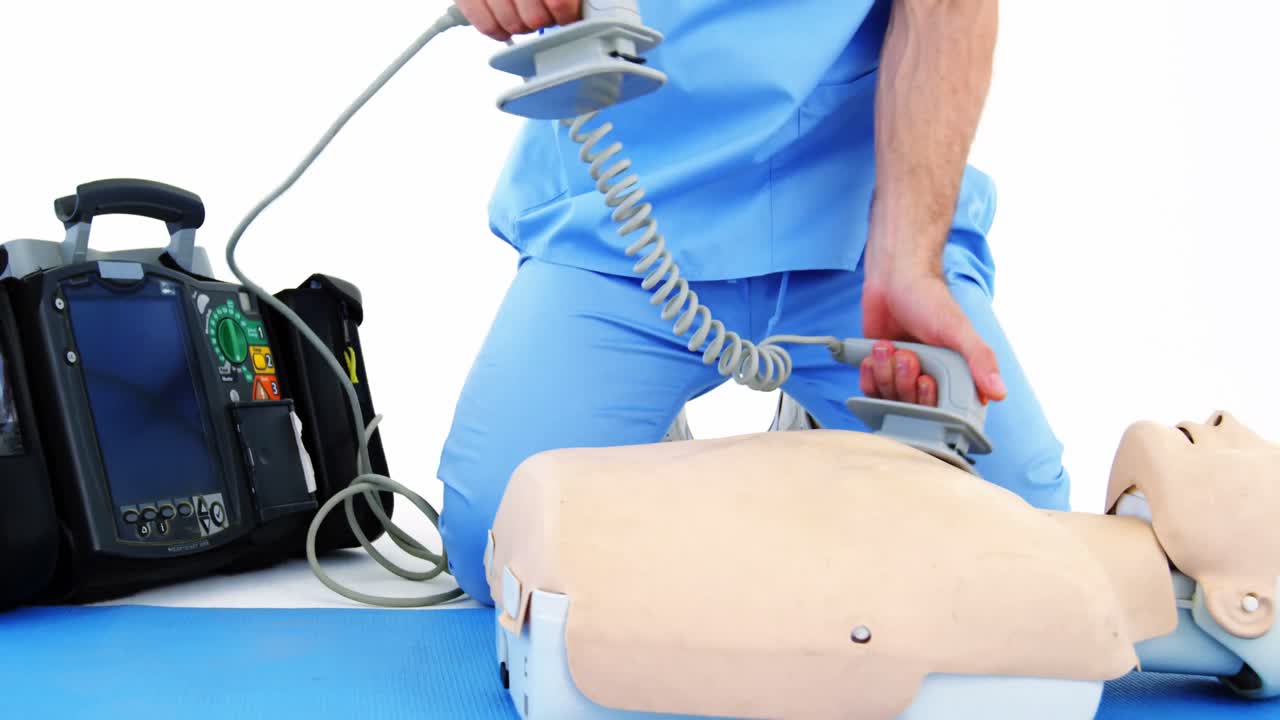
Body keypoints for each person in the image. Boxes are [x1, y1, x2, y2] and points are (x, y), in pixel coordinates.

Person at [439, 0, 1068, 604]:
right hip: (621, 221)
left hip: (864, 229)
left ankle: (822, 437)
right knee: (499, 544)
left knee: (1021, 550)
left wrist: (910, 261)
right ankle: (646, 434)